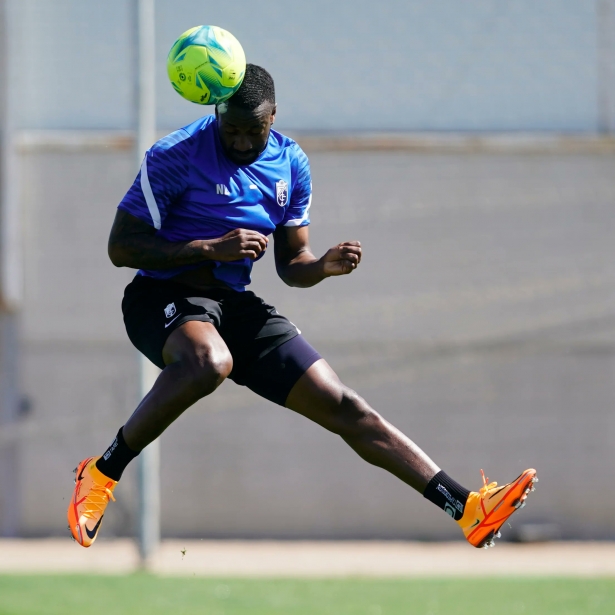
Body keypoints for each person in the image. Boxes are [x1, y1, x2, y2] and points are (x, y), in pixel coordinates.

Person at [68, 64, 536, 550]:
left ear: (274, 116)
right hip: (160, 297)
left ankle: (466, 508)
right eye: (233, 131)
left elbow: (292, 263)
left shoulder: (291, 163)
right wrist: (209, 248)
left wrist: (322, 266)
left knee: (345, 406)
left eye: (256, 130)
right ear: (215, 114)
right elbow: (121, 248)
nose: (244, 142)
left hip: (233, 303)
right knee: (211, 362)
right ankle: (102, 472)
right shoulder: (175, 155)